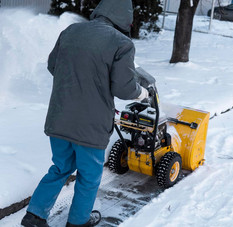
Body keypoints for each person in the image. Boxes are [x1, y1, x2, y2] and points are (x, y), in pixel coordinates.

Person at [21, 0, 148, 226]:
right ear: (124, 18)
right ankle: (78, 222)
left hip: (59, 118)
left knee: (60, 167)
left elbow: (53, 66)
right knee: (89, 176)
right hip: (91, 125)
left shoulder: (71, 31)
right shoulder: (121, 43)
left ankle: (34, 216)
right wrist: (141, 93)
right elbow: (124, 88)